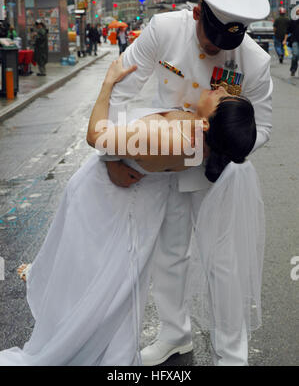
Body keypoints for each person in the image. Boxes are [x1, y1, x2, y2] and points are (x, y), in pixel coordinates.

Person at [0, 55, 264, 366]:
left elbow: (96, 137)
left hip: (104, 200)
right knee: (108, 281)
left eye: (221, 98)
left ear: (208, 124)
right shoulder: (200, 142)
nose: (220, 90)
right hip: (127, 199)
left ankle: (78, 338)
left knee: (93, 277)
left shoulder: (172, 140)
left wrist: (107, 84)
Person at [103, 0, 272, 366]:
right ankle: (174, 335)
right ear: (197, 13)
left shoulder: (255, 61)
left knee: (223, 263)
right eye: (209, 40)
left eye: (224, 45)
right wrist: (113, 156)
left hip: (219, 172)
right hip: (167, 163)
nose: (215, 50)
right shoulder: (163, 29)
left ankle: (232, 354)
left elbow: (261, 128)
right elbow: (119, 88)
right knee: (169, 252)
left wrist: (221, 145)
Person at [283, 7, 299, 77]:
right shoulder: (293, 21)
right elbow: (288, 31)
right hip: (295, 40)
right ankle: (293, 69)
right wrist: (285, 40)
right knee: (295, 55)